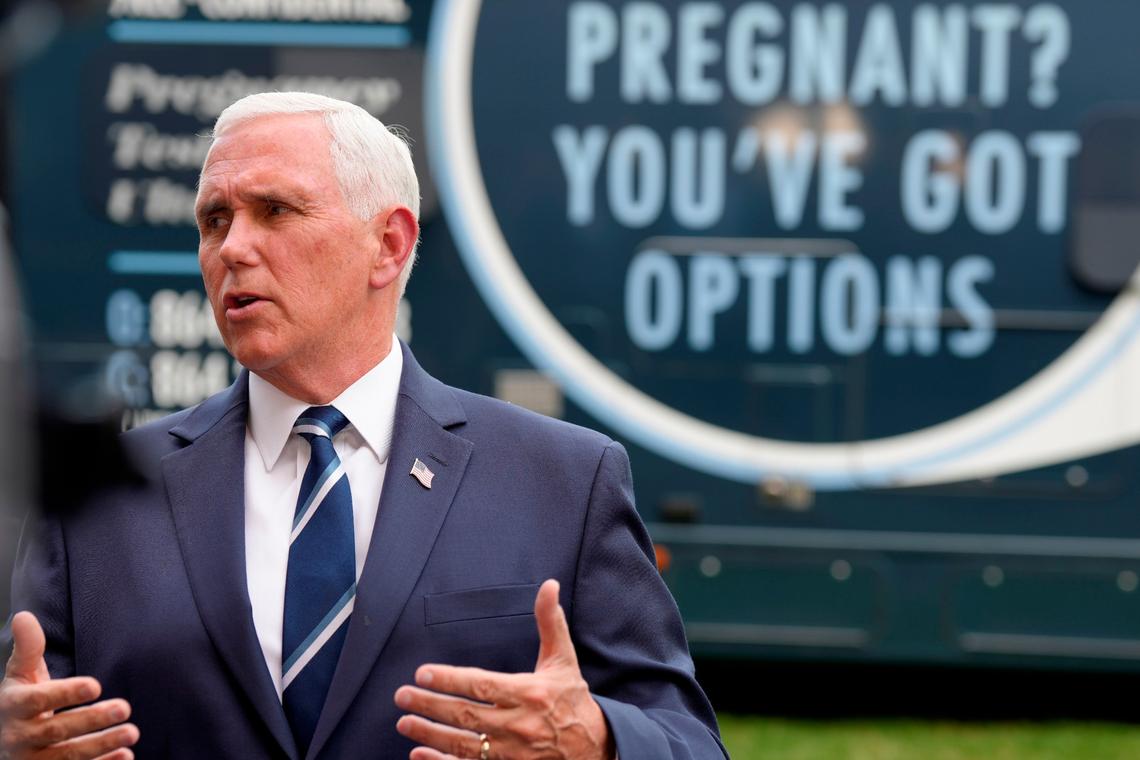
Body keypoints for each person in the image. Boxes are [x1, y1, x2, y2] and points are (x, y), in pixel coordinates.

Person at [0, 92, 726, 759]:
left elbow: (687, 740)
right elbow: (23, 713)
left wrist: (596, 738)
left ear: (390, 245)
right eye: (214, 220)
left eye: (276, 211)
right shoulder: (96, 496)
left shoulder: (564, 480)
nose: (233, 249)